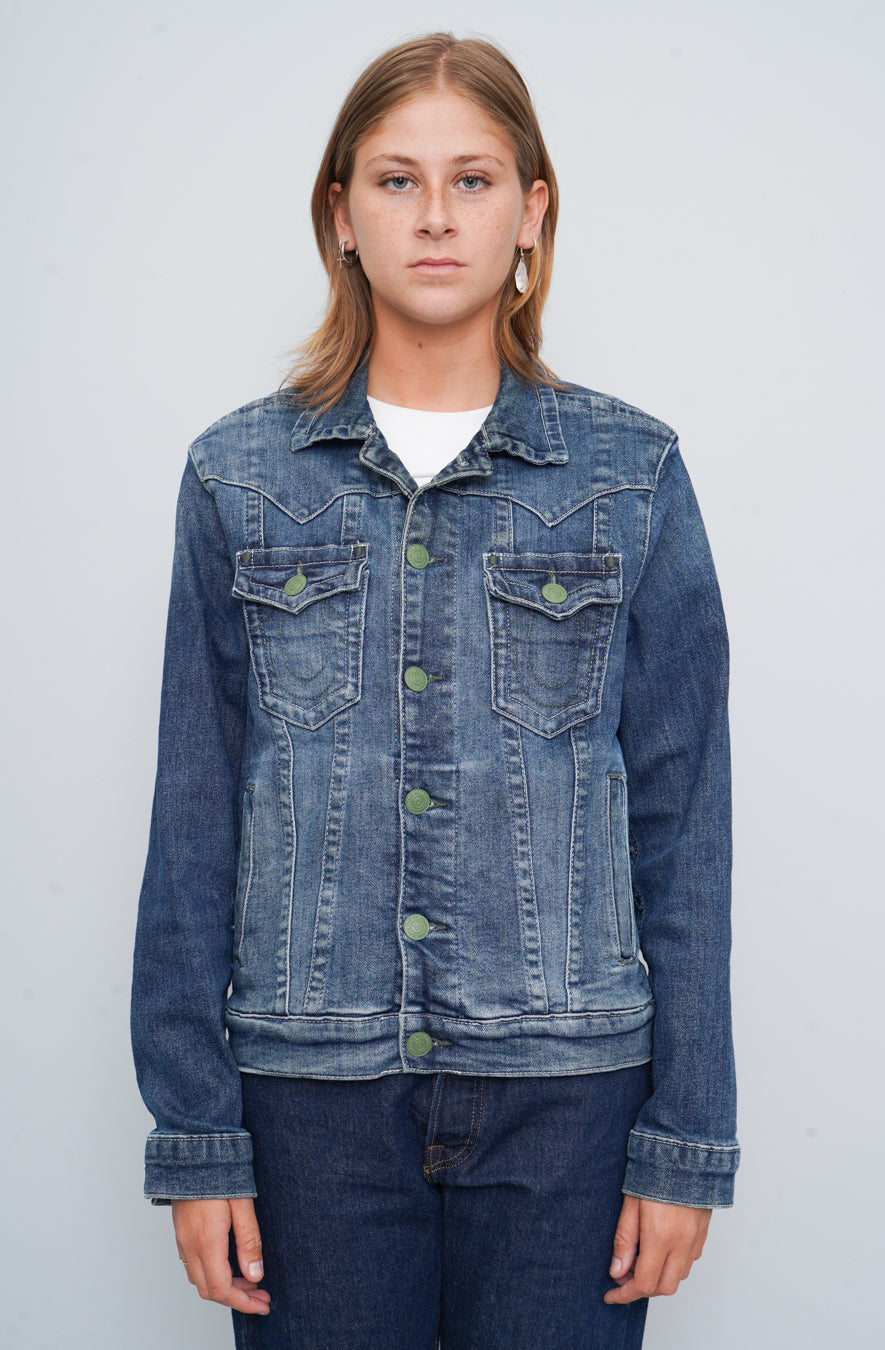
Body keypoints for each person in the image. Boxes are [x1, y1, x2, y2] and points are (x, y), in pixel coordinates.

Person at [131, 31, 739, 1350]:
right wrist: (197, 1132)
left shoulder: (631, 474)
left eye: (473, 179)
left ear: (533, 211)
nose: (436, 215)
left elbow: (685, 825)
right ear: (341, 216)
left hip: (570, 1100)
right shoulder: (237, 477)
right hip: (309, 1103)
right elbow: (192, 818)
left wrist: (687, 1131)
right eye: (397, 180)